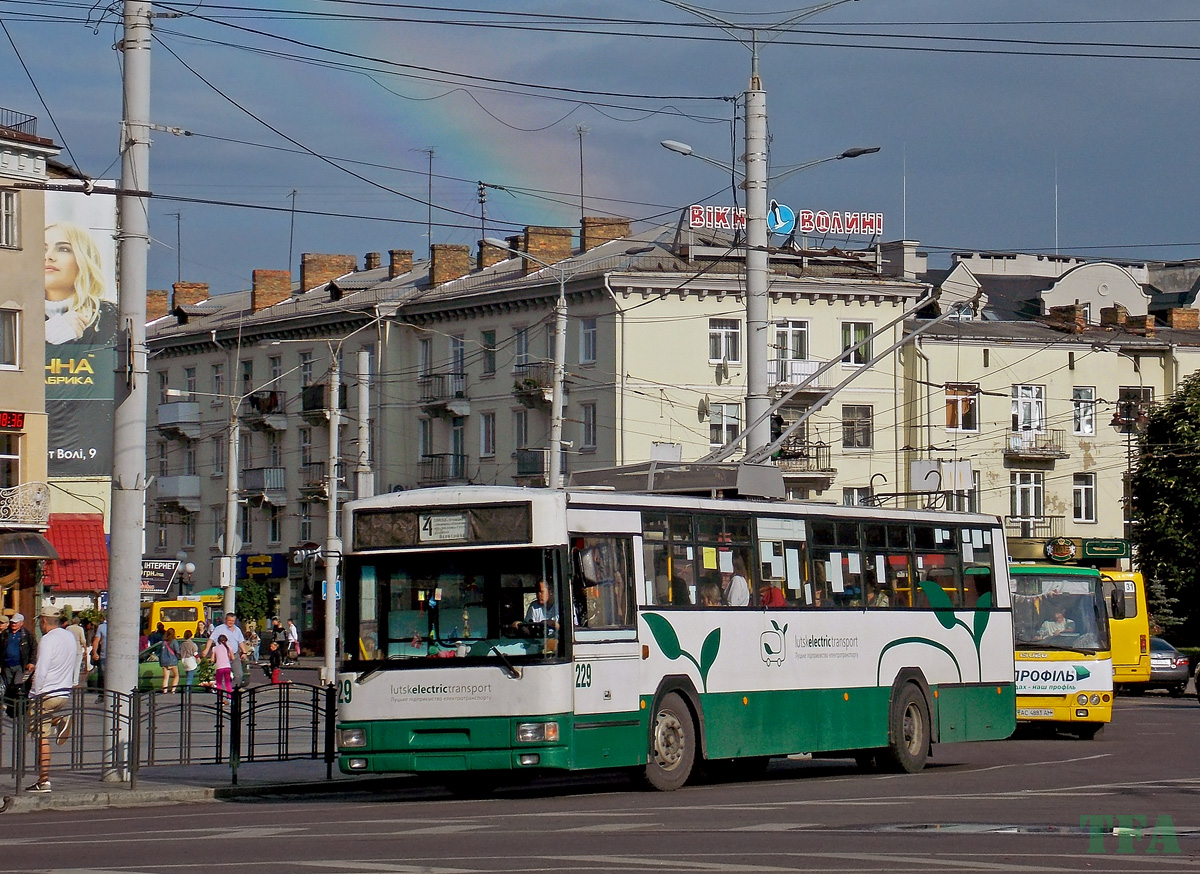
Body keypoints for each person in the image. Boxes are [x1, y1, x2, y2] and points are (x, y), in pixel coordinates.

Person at [25, 606, 80, 793]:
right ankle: (60, 720)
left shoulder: (47, 640)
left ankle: (44, 780)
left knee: (41, 736)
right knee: (36, 724)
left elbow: (42, 669)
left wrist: (34, 691)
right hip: (63, 692)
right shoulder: (69, 637)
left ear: (43, 621)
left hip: (46, 693)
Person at [44, 221, 117, 346]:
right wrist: (45, 335)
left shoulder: (109, 317)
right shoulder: (14, 313)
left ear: (83, 259)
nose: (48, 256)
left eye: (63, 249)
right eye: (42, 249)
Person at [1, 612, 37, 709]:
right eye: (12, 622)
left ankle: (18, 705)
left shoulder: (27, 634)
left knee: (18, 685)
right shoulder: (5, 634)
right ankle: (10, 705)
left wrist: (31, 662)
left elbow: (33, 648)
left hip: (20, 665)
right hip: (7, 664)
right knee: (8, 685)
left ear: (21, 623)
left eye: (16, 623)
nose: (13, 624)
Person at [203, 613, 246, 688]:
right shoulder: (219, 629)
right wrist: (206, 650)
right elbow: (211, 639)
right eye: (229, 620)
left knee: (239, 675)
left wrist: (244, 652)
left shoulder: (237, 629)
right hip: (223, 656)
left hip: (235, 654)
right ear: (225, 620)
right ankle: (224, 693)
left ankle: (231, 689)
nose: (231, 622)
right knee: (223, 676)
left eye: (233, 621)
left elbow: (241, 641)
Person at [209, 633, 234, 699]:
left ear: (218, 641)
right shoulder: (229, 648)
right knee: (228, 683)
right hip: (227, 667)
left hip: (219, 667)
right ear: (226, 640)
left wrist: (214, 660)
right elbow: (233, 657)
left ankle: (220, 697)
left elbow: (212, 659)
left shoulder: (215, 648)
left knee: (219, 683)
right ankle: (229, 696)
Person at [90, 617, 107, 700]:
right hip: (104, 656)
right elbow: (96, 641)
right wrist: (94, 652)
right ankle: (102, 695)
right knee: (102, 676)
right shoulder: (102, 627)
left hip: (115, 657)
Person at [159, 628, 180, 693]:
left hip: (164, 661)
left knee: (166, 677)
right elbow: (177, 651)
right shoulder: (174, 641)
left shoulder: (163, 642)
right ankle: (173, 690)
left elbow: (160, 652)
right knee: (176, 676)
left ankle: (165, 690)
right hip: (172, 660)